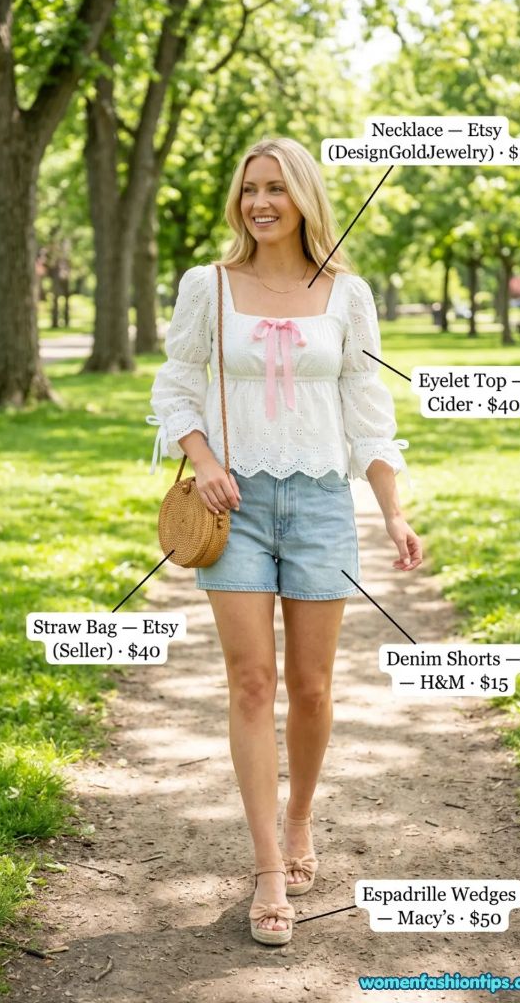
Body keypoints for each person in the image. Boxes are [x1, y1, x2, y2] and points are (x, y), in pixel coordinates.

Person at [148, 136, 422, 946]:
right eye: (248, 189)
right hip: (234, 503)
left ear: (304, 196)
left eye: (274, 188)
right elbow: (177, 382)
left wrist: (394, 512)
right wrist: (203, 460)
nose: (259, 202)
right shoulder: (211, 286)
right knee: (250, 683)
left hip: (321, 505)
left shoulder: (347, 294)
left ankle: (299, 817)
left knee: (310, 686)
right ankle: (269, 868)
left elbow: (369, 412)